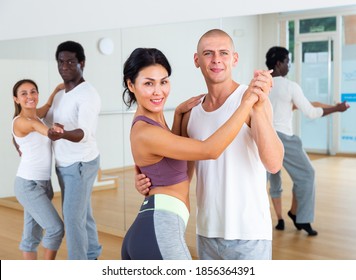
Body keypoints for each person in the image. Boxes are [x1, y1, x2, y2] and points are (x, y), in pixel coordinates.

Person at [135, 29, 284, 260]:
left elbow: (274, 164)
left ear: (234, 59)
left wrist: (255, 106)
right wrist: (150, 180)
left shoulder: (253, 99)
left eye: (224, 53)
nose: (216, 59)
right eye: (208, 53)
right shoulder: (190, 111)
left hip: (249, 234)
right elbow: (181, 173)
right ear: (197, 60)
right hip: (206, 233)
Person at [265, 46, 350, 235]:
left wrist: (332, 106)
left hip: (262, 138)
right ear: (279, 64)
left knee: (264, 183)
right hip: (283, 138)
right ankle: (300, 217)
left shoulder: (261, 84)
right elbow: (311, 111)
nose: (289, 65)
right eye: (287, 61)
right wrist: (337, 109)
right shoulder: (289, 86)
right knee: (307, 175)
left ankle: (265, 220)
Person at [44, 41, 102, 260]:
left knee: (72, 218)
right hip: (64, 164)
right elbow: (45, 117)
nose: (65, 66)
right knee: (82, 215)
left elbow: (83, 133)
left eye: (70, 61)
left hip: (80, 163)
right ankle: (92, 256)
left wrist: (62, 133)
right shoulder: (61, 95)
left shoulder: (88, 95)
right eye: (61, 61)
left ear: (81, 63)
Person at [12, 79, 64, 259]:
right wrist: (52, 130)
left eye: (33, 91)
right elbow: (38, 128)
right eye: (24, 94)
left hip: (43, 184)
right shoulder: (21, 122)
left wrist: (56, 89)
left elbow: (47, 106)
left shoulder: (36, 115)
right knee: (56, 228)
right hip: (28, 185)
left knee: (31, 236)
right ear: (16, 99)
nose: (30, 96)